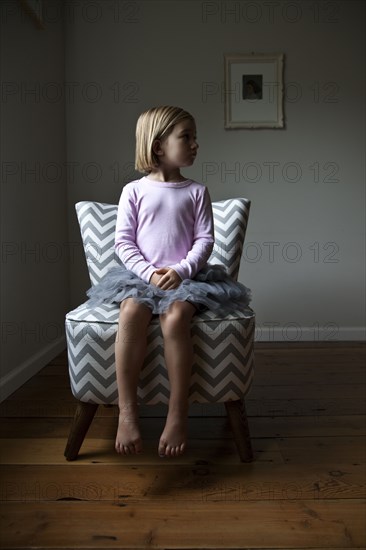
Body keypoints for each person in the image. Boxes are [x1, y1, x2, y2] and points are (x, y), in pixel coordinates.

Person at [86, 106, 251, 458]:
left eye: (194, 137)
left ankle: (178, 413)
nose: (195, 144)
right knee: (131, 313)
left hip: (187, 278)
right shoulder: (133, 191)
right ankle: (127, 411)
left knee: (176, 317)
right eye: (186, 136)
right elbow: (123, 242)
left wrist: (180, 271)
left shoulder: (196, 191)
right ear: (159, 146)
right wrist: (148, 273)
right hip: (139, 277)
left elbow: (204, 241)